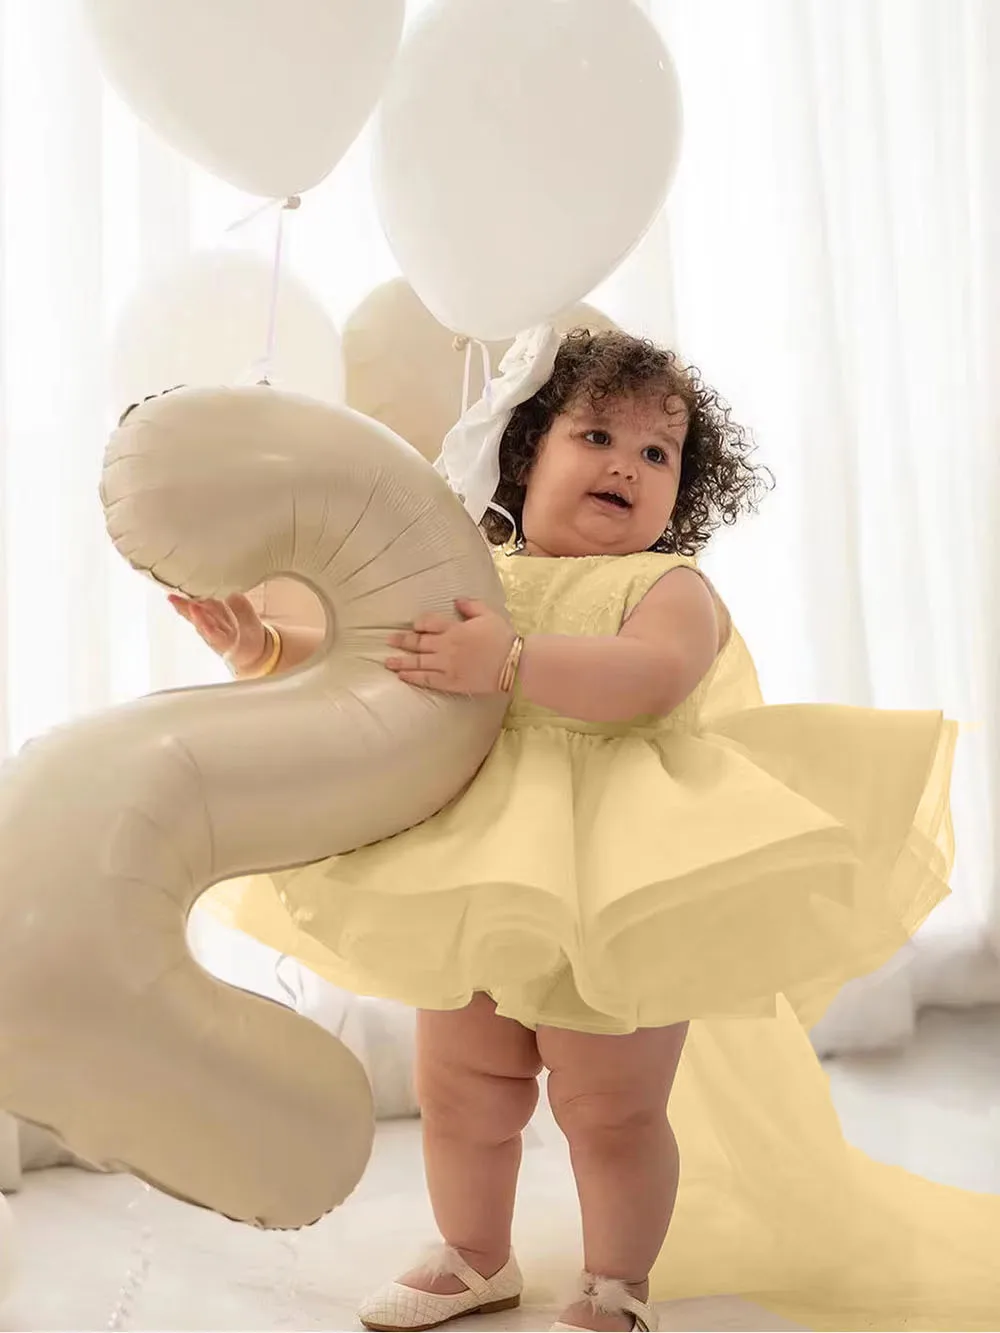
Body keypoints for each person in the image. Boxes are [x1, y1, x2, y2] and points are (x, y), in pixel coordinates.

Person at [184, 330, 1000, 1332]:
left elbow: (651, 680)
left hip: (622, 879)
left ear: (681, 495)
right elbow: (381, 658)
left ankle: (616, 1282)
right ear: (526, 453)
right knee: (463, 1086)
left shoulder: (666, 588)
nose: (626, 461)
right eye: (597, 433)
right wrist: (268, 643)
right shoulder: (475, 577)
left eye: (658, 454)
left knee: (607, 1106)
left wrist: (513, 662)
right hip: (478, 871)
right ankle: (473, 1251)